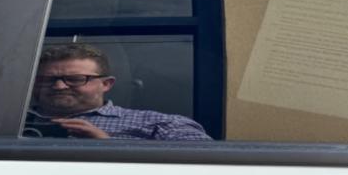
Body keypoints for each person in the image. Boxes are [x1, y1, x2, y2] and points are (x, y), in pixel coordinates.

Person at [26, 43, 210, 140]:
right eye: (47, 80)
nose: (59, 86)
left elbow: (209, 169)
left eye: (75, 79)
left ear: (106, 84)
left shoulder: (161, 124)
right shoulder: (9, 122)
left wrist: (109, 146)